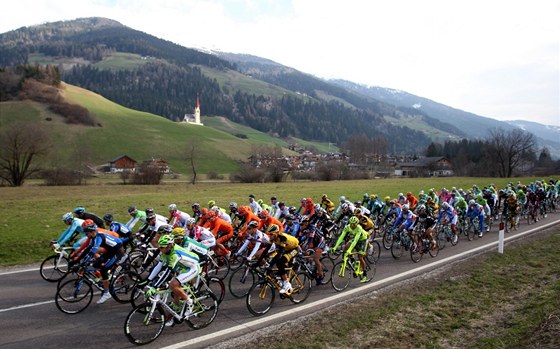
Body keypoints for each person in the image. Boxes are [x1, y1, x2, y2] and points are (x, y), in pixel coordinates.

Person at [143, 234, 201, 327]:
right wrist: (147, 280)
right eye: (159, 246)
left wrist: (154, 287)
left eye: (162, 247)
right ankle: (175, 315)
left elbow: (167, 272)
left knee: (173, 285)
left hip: (193, 268)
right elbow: (158, 267)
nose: (160, 249)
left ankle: (190, 302)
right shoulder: (166, 251)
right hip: (183, 268)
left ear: (169, 246)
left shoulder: (175, 254)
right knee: (174, 291)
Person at [75, 220, 126, 304]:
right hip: (110, 250)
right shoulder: (93, 238)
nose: (86, 235)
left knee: (103, 270)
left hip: (118, 251)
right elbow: (87, 250)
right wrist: (77, 260)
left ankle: (106, 292)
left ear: (91, 232)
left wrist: (85, 263)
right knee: (96, 264)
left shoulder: (98, 238)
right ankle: (106, 278)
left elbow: (93, 251)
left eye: (87, 233)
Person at [331, 216, 369, 283]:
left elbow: (356, 241)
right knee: (346, 247)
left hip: (363, 239)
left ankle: (365, 275)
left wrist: (350, 250)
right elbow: (341, 237)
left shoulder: (359, 228)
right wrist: (335, 247)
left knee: (360, 257)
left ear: (357, 224)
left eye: (353, 224)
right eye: (351, 223)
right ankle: (353, 261)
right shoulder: (347, 227)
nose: (352, 225)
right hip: (355, 238)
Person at [265, 224, 300, 294]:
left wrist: (271, 265)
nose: (270, 236)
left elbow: (279, 254)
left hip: (294, 248)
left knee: (280, 262)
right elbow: (265, 251)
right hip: (287, 249)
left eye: (271, 234)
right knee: (278, 263)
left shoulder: (282, 238)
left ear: (277, 233)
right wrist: (257, 263)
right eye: (269, 234)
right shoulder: (273, 238)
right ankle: (285, 278)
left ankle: (287, 283)